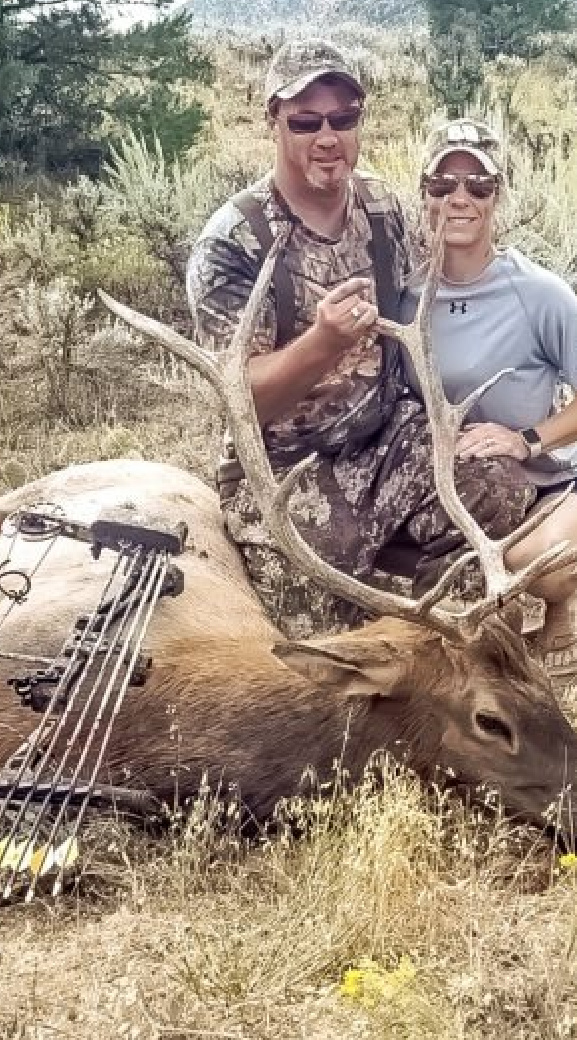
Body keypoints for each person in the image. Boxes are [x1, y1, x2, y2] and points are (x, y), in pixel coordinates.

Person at [186, 44, 536, 639]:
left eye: (343, 119)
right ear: (273, 120)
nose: (328, 138)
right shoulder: (232, 243)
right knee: (316, 638)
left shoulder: (381, 207)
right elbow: (240, 402)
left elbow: (436, 297)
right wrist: (322, 343)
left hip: (388, 434)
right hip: (286, 466)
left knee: (499, 485)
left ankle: (428, 637)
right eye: (306, 122)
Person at [402, 119, 577, 676]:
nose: (460, 198)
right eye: (443, 184)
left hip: (556, 485)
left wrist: (526, 440)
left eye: (478, 185)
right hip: (465, 491)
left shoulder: (537, 292)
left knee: (535, 567)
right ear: (425, 193)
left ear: (496, 196)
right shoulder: (406, 294)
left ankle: (562, 601)